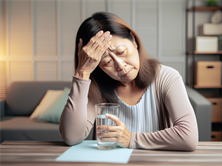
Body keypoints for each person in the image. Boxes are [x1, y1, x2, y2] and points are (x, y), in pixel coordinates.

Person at [60, 12, 198, 151]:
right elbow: (72, 137)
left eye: (121, 52)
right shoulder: (95, 87)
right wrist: (82, 72)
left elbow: (189, 137)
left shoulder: (167, 77)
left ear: (134, 40)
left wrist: (130, 139)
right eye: (107, 62)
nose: (120, 65)